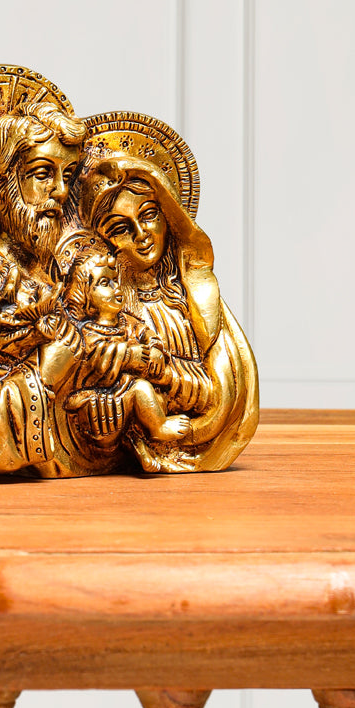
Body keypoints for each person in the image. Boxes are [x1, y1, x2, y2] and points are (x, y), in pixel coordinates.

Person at [0, 83, 129, 477]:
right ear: (1, 185)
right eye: (42, 174)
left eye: (68, 174)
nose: (61, 191)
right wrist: (46, 372)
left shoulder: (80, 267)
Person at [77, 154, 259, 471]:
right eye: (121, 228)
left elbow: (216, 394)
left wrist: (161, 372)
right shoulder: (109, 315)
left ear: (168, 216)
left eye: (148, 215)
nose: (141, 234)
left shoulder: (191, 303)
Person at [58, 246, 194, 467]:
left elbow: (146, 333)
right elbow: (97, 359)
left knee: (155, 396)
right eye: (105, 283)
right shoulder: (88, 333)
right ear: (85, 296)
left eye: (115, 280)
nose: (116, 288)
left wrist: (155, 349)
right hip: (104, 403)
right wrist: (130, 355)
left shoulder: (126, 322)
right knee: (141, 389)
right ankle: (158, 428)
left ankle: (138, 445)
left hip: (125, 396)